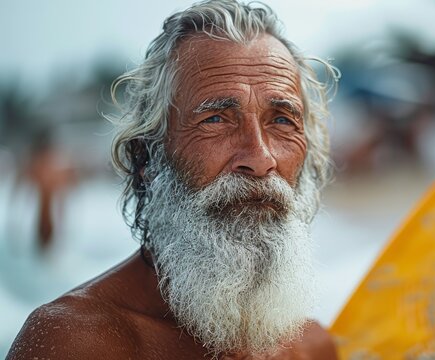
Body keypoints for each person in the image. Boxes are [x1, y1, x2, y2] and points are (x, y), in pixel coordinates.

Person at [8, 0, 340, 358]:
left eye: (281, 120)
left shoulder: (312, 347)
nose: (260, 159)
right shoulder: (79, 343)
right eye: (216, 119)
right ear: (145, 158)